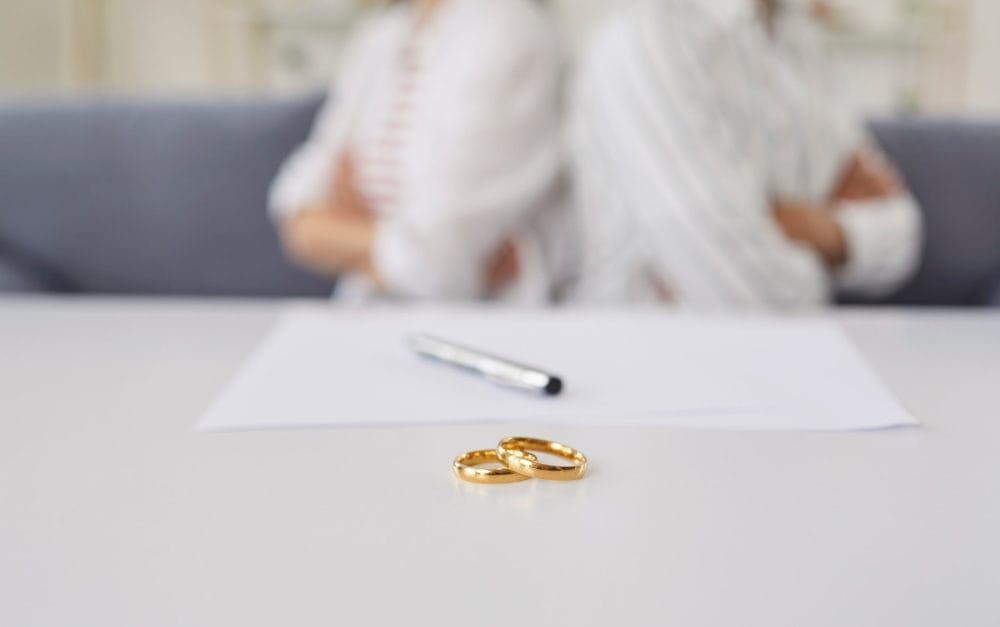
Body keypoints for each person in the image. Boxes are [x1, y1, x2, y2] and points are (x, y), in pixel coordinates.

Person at [569, 0, 923, 307]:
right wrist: (830, 254)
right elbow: (736, 288)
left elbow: (904, 234)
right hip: (647, 355)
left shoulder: (800, 36)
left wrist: (816, 229)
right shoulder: (646, 39)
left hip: (792, 351)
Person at [270, 0, 571, 303]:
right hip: (367, 313)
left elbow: (441, 259)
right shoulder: (381, 34)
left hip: (484, 322)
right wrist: (388, 243)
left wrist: (345, 231)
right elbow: (299, 215)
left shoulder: (507, 30)